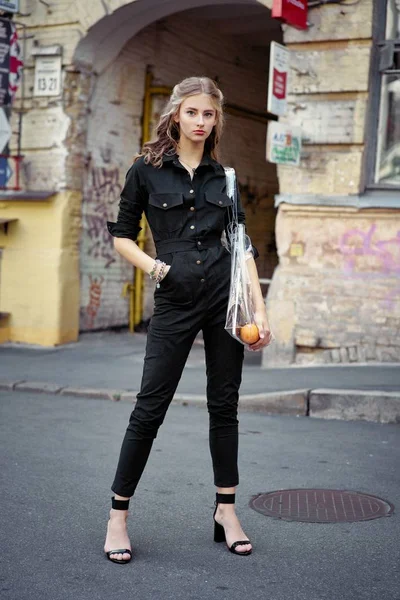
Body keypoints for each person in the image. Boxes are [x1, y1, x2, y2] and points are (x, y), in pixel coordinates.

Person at [104, 76, 272, 564]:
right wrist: (158, 268)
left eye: (210, 114)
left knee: (225, 406)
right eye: (193, 112)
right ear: (176, 114)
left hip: (224, 299)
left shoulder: (227, 178)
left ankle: (226, 510)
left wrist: (260, 311)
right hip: (176, 299)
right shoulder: (146, 170)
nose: (201, 121)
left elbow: (240, 244)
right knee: (149, 408)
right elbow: (121, 235)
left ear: (217, 120)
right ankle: (118, 516)